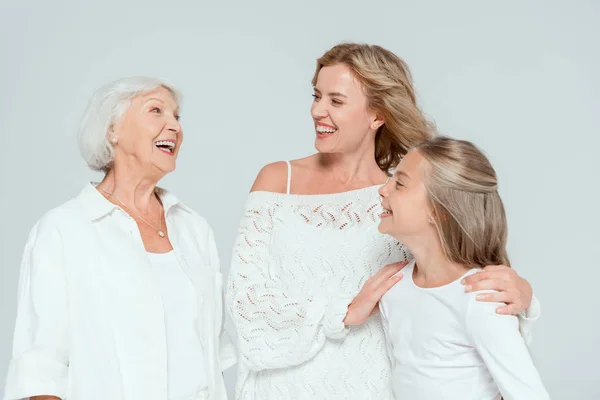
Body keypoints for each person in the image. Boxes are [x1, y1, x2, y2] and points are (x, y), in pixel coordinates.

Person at [226, 42, 540, 399]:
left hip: (372, 386)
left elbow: (450, 289)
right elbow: (243, 300)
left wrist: (524, 299)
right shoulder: (276, 180)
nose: (317, 110)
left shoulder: (403, 203)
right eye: (317, 96)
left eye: (336, 101)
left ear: (377, 115)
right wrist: (341, 312)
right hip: (281, 387)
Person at [4, 77, 236, 400]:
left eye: (177, 117)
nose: (174, 126)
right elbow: (42, 371)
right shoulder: (62, 230)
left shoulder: (195, 230)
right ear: (112, 130)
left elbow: (214, 357)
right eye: (156, 111)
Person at [377, 136, 549, 399]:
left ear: (438, 211)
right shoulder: (393, 288)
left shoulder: (479, 297)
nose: (383, 189)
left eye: (399, 184)